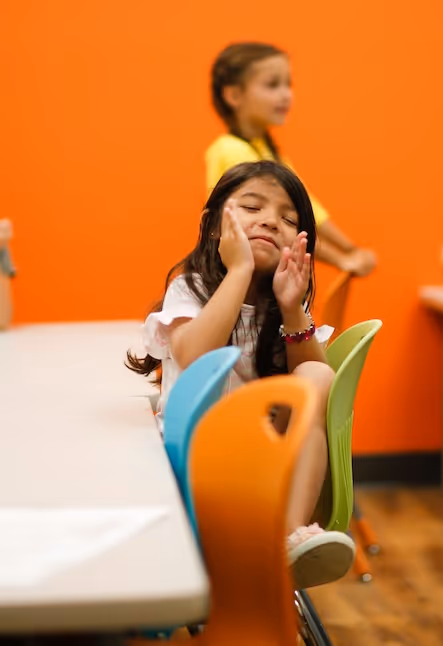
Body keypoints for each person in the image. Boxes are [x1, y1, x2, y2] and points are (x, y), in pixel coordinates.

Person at [128, 161, 355, 589]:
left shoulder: (284, 308)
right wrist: (239, 272)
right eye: (252, 207)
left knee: (317, 376)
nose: (271, 220)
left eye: (289, 220)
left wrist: (292, 310)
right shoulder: (190, 289)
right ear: (215, 226)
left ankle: (290, 535)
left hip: (265, 468)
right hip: (195, 466)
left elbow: (319, 389)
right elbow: (195, 359)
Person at [206, 42, 376, 276]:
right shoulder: (230, 151)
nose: (286, 95)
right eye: (272, 85)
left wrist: (351, 249)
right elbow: (282, 225)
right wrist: (342, 260)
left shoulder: (268, 151)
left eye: (288, 84)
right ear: (234, 95)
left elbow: (308, 208)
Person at [0, 219, 15, 330]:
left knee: (3, 297)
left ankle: (3, 321)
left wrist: (10, 269)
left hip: (3, 276)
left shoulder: (4, 248)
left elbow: (6, 260)